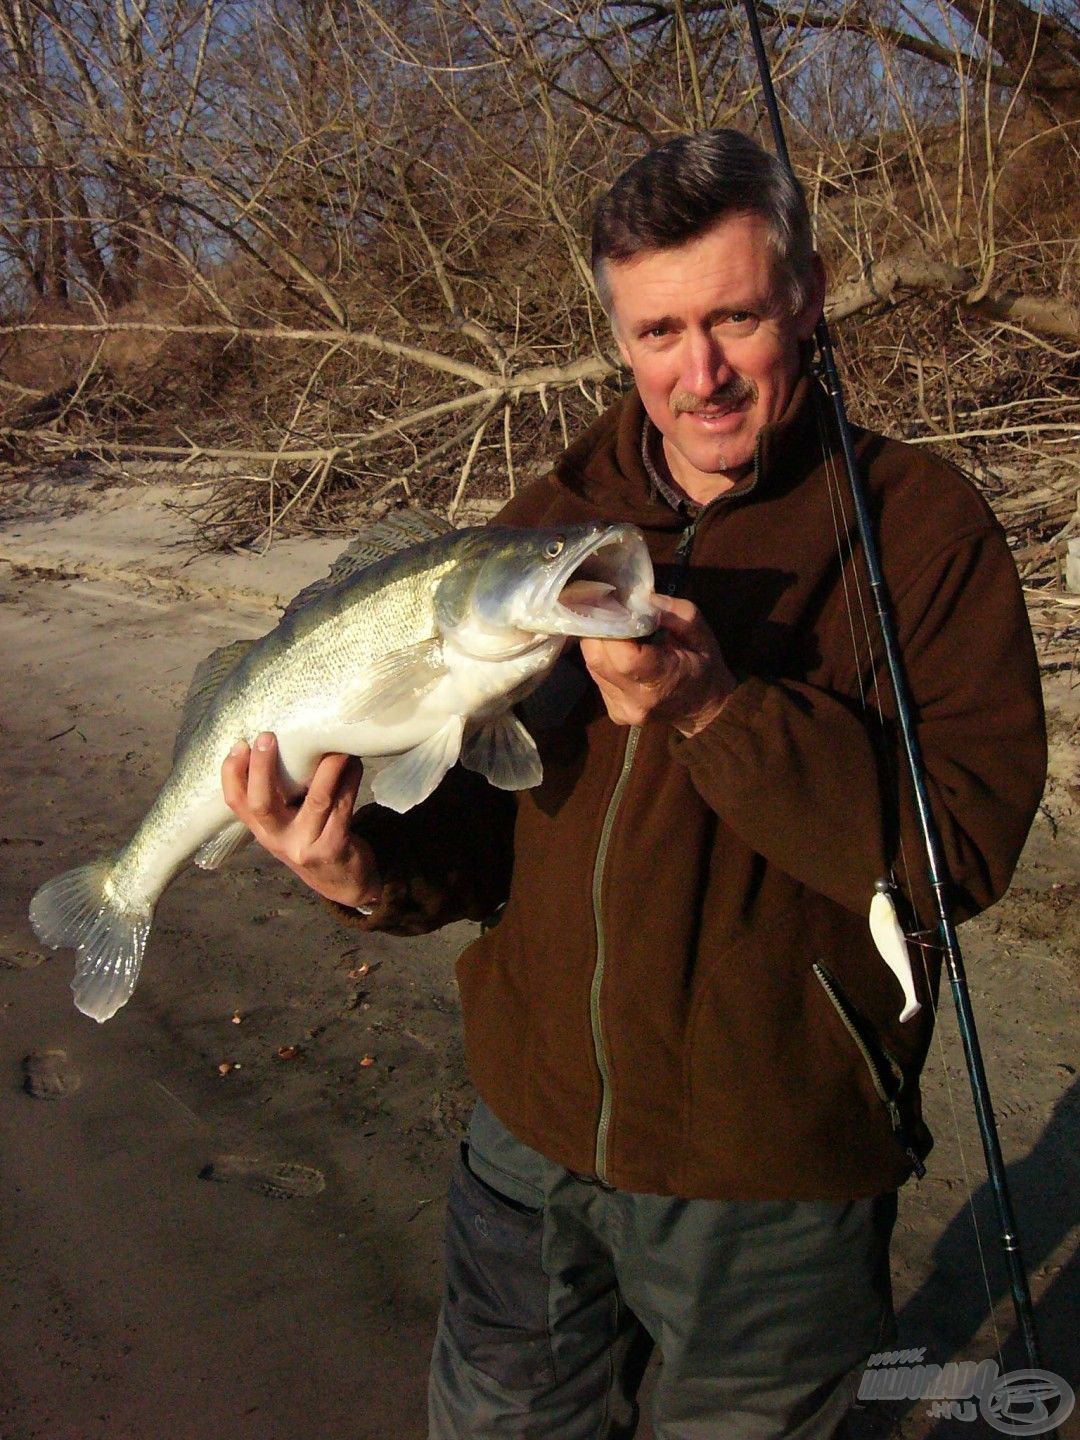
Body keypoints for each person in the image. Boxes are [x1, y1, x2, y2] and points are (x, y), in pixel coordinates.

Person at [220, 130, 1046, 1438]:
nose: (699, 373)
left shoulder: (923, 534)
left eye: (735, 318)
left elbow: (964, 850)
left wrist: (721, 713)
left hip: (768, 1177)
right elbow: (473, 847)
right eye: (659, 330)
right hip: (524, 1143)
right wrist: (362, 873)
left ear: (811, 295)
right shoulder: (543, 524)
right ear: (617, 331)